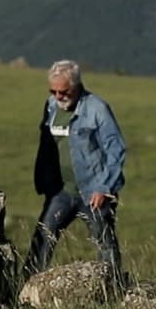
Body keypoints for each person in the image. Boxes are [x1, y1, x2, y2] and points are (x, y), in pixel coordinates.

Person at [22, 59, 127, 290]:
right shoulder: (50, 106)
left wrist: (104, 188)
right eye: (54, 91)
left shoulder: (97, 109)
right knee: (42, 241)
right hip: (60, 192)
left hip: (93, 192)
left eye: (64, 91)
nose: (58, 96)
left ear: (77, 86)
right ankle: (23, 290)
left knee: (104, 243)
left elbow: (116, 149)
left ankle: (113, 290)